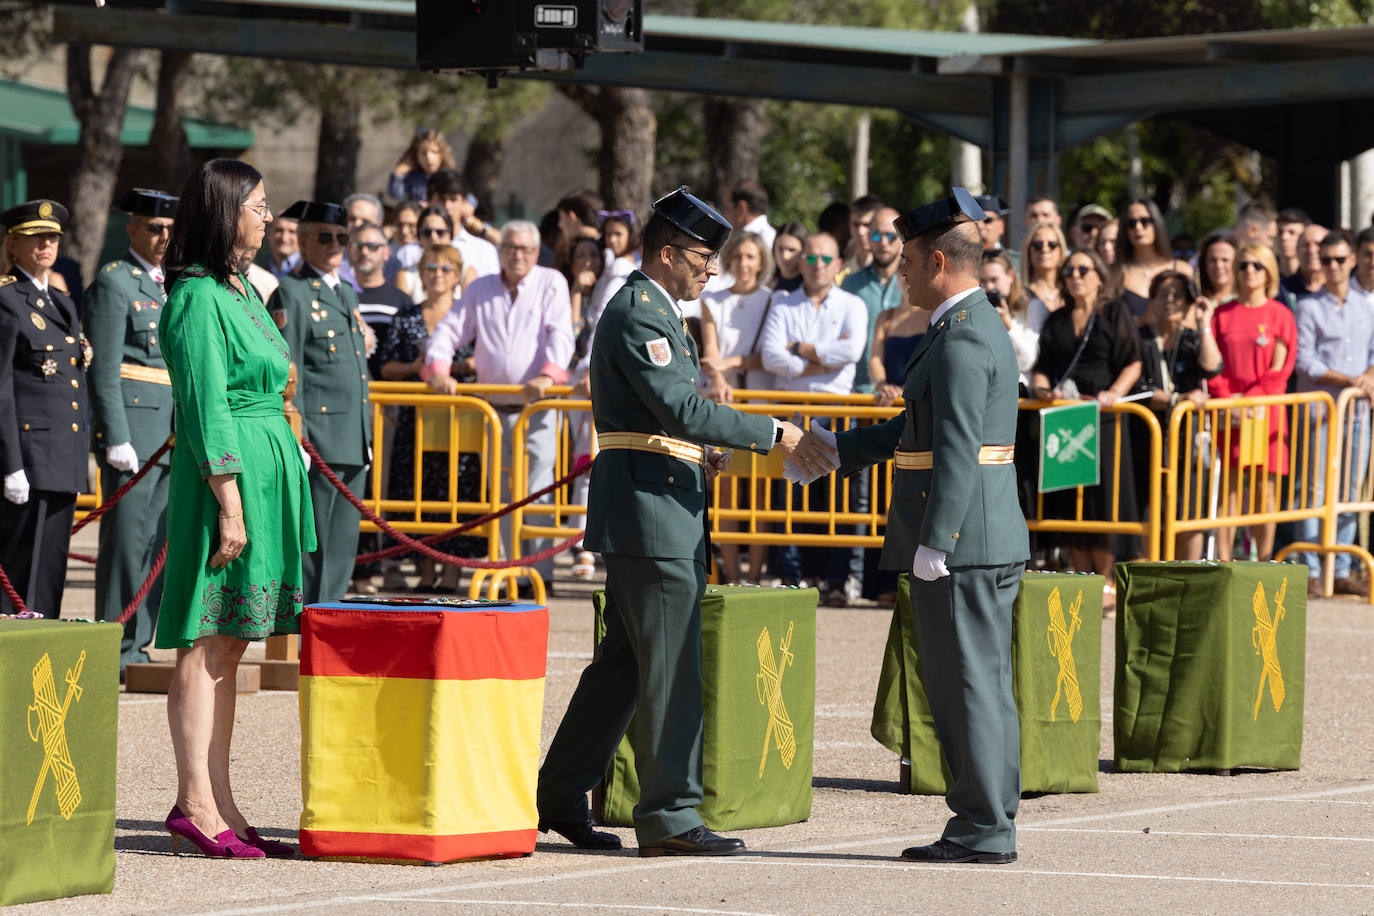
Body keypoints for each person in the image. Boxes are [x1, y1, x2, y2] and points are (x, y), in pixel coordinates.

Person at [536, 187, 803, 857]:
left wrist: (701, 452)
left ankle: (562, 792)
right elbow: (680, 409)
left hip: (660, 504)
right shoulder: (640, 312)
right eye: (702, 259)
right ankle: (670, 816)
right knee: (673, 668)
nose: (709, 271)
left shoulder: (658, 312)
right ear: (667, 254)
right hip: (650, 516)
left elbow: (667, 421)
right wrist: (772, 432)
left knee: (624, 669)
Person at [817, 187, 1027, 864]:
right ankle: (987, 816)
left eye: (906, 260)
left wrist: (939, 539)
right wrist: (833, 451)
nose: (898, 272)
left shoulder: (963, 338)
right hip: (979, 536)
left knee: (966, 685)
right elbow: (916, 431)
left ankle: (982, 825)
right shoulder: (961, 327)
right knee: (977, 683)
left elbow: (959, 448)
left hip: (965, 540)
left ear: (940, 261)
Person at [157, 158, 314, 858]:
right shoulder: (195, 297)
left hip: (266, 473)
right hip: (227, 481)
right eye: (256, 204)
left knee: (235, 641)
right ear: (224, 211)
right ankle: (194, 801)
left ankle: (222, 803)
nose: (268, 214)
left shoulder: (241, 287)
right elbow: (205, 408)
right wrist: (230, 504)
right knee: (206, 636)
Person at [424, 220, 573, 591]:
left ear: (536, 252)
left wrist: (550, 374)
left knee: (537, 487)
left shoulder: (551, 282)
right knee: (501, 492)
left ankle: (539, 571)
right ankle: (510, 566)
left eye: (524, 248)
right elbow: (449, 330)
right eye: (510, 247)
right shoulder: (480, 288)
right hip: (492, 411)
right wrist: (439, 369)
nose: (517, 254)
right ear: (500, 249)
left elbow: (561, 333)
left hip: (537, 407)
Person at [85, 188, 178, 666]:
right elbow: (102, 368)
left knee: (158, 540)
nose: (163, 237)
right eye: (154, 228)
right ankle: (116, 645)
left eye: (169, 229)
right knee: (126, 543)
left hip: (170, 433)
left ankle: (138, 641)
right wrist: (114, 434)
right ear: (133, 230)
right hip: (133, 431)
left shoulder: (174, 284)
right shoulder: (115, 282)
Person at [269, 200, 372, 605]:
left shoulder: (345, 291)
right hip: (318, 438)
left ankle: (332, 627)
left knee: (343, 545)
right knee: (317, 547)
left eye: (342, 238)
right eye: (325, 237)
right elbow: (286, 373)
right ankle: (313, 629)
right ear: (304, 240)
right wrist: (297, 437)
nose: (335, 245)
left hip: (351, 436)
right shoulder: (291, 293)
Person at [760, 232, 869, 604]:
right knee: (789, 493)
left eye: (826, 259)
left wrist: (799, 352)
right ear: (801, 262)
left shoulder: (853, 304)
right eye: (811, 258)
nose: (818, 265)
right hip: (793, 411)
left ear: (838, 265)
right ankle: (791, 575)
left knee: (841, 497)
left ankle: (840, 579)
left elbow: (852, 351)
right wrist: (822, 362)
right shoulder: (783, 302)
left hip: (838, 411)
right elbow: (771, 356)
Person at [1030, 248, 1142, 600]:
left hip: (1104, 418)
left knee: (1104, 498)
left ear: (1099, 275)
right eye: (1069, 270)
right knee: (1070, 497)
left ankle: (1106, 580)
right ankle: (1080, 576)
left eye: (1083, 269)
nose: (1075, 275)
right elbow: (1044, 365)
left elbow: (1133, 362)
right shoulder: (1057, 319)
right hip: (1066, 418)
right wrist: (1043, 388)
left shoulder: (1114, 312)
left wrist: (1114, 392)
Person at [0, 200, 88, 618]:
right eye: (35, 238)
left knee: (50, 571)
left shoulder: (62, 303)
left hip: (61, 458)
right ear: (13, 244)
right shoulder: (7, 301)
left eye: (51, 237)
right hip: (28, 459)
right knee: (19, 576)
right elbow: (2, 389)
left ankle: (42, 662)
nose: (45, 245)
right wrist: (10, 464)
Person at [376, 244, 480, 592]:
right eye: (431, 267)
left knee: (456, 494)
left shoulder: (470, 315)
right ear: (420, 273)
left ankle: (451, 572)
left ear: (457, 275)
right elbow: (386, 365)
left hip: (460, 421)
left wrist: (462, 367)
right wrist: (416, 368)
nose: (438, 274)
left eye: (446, 269)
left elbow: (486, 358)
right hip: (416, 420)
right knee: (420, 494)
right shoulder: (406, 315)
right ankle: (424, 569)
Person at [1294, 230, 1374, 595]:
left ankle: (1340, 567)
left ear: (1352, 261)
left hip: (1356, 413)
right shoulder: (1308, 307)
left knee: (1349, 487)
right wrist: (1350, 380)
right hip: (1320, 411)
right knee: (1314, 488)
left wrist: (1368, 378)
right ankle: (1310, 566)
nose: (1333, 267)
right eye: (1326, 261)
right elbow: (1305, 361)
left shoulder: (1366, 305)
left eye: (1340, 260)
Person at [1208, 244, 1297, 562]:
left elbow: (1280, 369)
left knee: (1265, 488)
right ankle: (1223, 558)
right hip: (1229, 411)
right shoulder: (1222, 314)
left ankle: (1265, 560)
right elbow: (1212, 365)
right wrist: (1225, 400)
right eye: (1243, 265)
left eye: (1257, 265)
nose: (1249, 271)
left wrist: (1249, 401)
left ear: (1269, 271)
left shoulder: (1280, 315)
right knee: (1229, 487)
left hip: (1265, 412)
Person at [700, 231, 775, 585]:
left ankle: (756, 574)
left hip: (762, 402)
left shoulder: (773, 299)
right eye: (738, 257)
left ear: (760, 262)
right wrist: (718, 376)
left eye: (750, 257)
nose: (744, 264)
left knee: (760, 495)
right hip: (725, 403)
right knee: (727, 492)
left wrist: (725, 365)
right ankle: (731, 574)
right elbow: (709, 349)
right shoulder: (713, 299)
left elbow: (769, 355)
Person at [1134, 270, 1223, 560]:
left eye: (1177, 296)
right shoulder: (1141, 338)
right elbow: (1139, 387)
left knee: (1189, 506)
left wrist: (1205, 324)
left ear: (1188, 302)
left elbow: (1212, 367)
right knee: (1149, 511)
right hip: (1148, 437)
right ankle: (1150, 573)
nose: (1170, 301)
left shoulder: (1192, 339)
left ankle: (1190, 574)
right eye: (1163, 295)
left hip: (1189, 439)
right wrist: (1176, 399)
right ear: (1152, 299)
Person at [841, 206, 906, 395]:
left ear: (902, 238)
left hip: (903, 395)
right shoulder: (850, 284)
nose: (883, 243)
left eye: (891, 236)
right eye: (876, 236)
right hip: (858, 392)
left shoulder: (914, 284)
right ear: (869, 238)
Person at [1113, 198, 1193, 321]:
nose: (1138, 227)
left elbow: (1192, 319)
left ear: (1156, 223)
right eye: (1131, 223)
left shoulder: (1182, 270)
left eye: (1144, 221)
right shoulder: (1116, 274)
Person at [980, 250, 1041, 390]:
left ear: (1011, 276)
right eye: (983, 281)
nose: (989, 287)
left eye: (994, 280)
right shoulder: (977, 309)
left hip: (1019, 390)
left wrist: (1008, 325)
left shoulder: (1032, 306)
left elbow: (1027, 362)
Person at [427, 169, 499, 279]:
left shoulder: (484, 251)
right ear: (429, 201)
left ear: (464, 202)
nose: (447, 206)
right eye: (442, 199)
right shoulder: (411, 250)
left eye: (453, 199)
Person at [388, 128, 457, 203]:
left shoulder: (449, 177)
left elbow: (463, 194)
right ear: (416, 157)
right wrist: (398, 174)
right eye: (423, 153)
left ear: (442, 154)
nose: (428, 157)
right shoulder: (413, 178)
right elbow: (396, 195)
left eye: (434, 152)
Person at [1021, 220, 1067, 316]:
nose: (1045, 249)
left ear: (1061, 251)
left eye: (1052, 245)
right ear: (1029, 252)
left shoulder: (1071, 293)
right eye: (1038, 245)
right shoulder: (1019, 295)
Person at [722, 178, 775, 251]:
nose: (722, 214)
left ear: (741, 208)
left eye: (725, 208)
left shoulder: (767, 241)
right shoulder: (771, 238)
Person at [1197, 230, 1239, 309]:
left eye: (1225, 260)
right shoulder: (1196, 301)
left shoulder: (1245, 300)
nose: (1219, 265)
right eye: (1213, 260)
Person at [771, 220, 808, 293]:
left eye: (792, 250)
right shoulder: (765, 283)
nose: (785, 256)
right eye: (780, 249)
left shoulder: (810, 288)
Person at [1275, 208, 1310, 283]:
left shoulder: (1313, 279)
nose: (1284, 237)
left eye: (1292, 232)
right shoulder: (1265, 276)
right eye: (1280, 232)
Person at [264, 214, 299, 278]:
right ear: (269, 232)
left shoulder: (314, 273)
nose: (284, 238)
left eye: (292, 232)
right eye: (279, 230)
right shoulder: (256, 275)